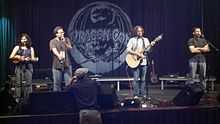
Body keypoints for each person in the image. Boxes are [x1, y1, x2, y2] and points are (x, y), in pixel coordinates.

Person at [126, 25, 155, 99]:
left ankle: (143, 94)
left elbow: (148, 50)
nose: (140, 32)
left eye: (141, 31)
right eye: (138, 31)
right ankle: (136, 94)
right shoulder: (132, 40)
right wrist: (137, 53)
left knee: (143, 79)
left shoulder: (145, 40)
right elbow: (128, 49)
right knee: (136, 79)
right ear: (136, 32)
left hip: (143, 62)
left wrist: (151, 46)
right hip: (134, 61)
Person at [9, 33, 38, 102]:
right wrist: (18, 57)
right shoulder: (17, 47)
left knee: (28, 83)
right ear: (20, 40)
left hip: (28, 67)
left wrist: (31, 59)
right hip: (19, 66)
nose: (24, 40)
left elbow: (33, 58)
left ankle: (28, 99)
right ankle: (17, 99)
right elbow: (11, 57)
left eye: (25, 39)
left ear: (27, 40)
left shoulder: (31, 48)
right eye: (22, 39)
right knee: (18, 83)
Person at [49, 26, 73, 91]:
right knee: (57, 84)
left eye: (63, 32)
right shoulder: (52, 41)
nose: (62, 34)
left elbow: (70, 48)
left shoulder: (66, 39)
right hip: (57, 65)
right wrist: (59, 56)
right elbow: (54, 50)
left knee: (69, 83)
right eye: (61, 33)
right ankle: (57, 98)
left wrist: (64, 42)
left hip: (67, 64)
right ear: (56, 34)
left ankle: (69, 98)